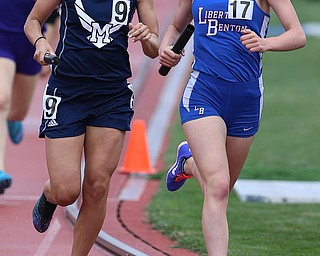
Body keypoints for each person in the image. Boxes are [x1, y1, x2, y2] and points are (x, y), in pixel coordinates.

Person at [159, 0, 306, 255]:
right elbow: (174, 26)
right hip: (203, 93)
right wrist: (166, 47)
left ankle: (188, 163)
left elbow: (297, 34)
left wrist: (266, 43)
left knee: (222, 188)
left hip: (246, 99)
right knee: (218, 186)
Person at [24, 0, 159, 255]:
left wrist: (146, 37)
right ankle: (50, 193)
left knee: (97, 187)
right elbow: (32, 21)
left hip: (112, 94)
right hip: (67, 91)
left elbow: (154, 46)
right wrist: (40, 42)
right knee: (66, 191)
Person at [0, 0, 59, 194]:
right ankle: (0, 170)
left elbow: (54, 14)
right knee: (1, 99)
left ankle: (11, 119)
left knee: (18, 112)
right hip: (2, 35)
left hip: (29, 41)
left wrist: (49, 45)